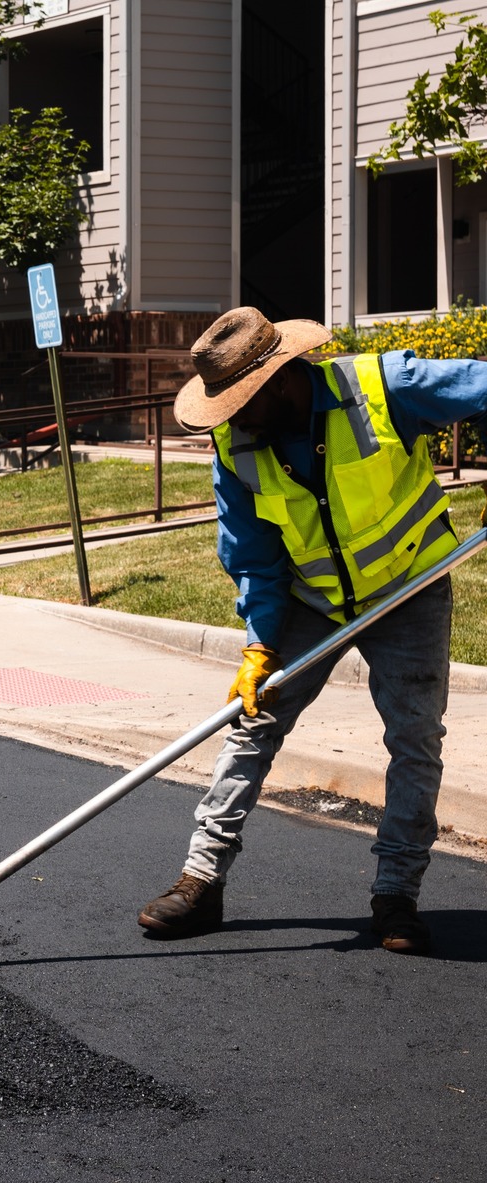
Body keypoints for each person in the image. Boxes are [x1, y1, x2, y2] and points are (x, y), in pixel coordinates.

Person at [140, 305, 487, 954]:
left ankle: (396, 898)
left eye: (241, 402)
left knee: (415, 740)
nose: (233, 417)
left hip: (408, 588)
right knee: (251, 722)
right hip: (313, 599)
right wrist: (261, 644)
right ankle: (201, 880)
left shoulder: (385, 388)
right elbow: (253, 554)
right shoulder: (235, 447)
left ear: (280, 379)